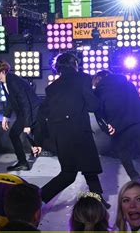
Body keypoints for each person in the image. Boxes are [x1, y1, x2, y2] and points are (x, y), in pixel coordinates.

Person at [32, 53, 109, 208]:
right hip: (79, 131)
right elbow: (92, 105)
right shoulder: (84, 78)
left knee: (70, 173)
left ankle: (36, 199)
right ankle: (36, 197)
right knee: (89, 168)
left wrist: (38, 140)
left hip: (61, 134)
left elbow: (43, 113)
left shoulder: (51, 88)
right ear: (75, 63)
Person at [93, 70, 140, 197]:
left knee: (123, 152)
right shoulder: (128, 84)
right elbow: (139, 103)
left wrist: (107, 128)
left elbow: (100, 114)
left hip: (121, 128)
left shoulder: (98, 92)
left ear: (99, 79)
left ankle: (134, 177)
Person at [0, 60, 41, 171]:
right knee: (15, 134)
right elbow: (10, 100)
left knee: (17, 134)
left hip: (31, 110)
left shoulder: (13, 82)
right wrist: (6, 116)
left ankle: (24, 161)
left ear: (2, 72)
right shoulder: (5, 82)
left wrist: (27, 124)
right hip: (23, 111)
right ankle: (24, 160)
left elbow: (26, 103)